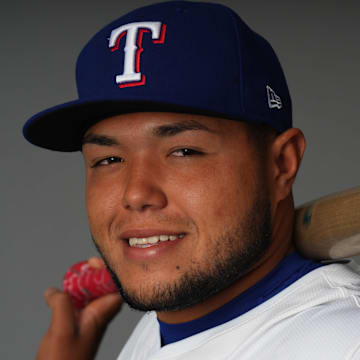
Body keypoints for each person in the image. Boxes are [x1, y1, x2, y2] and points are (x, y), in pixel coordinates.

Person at [23, 1, 360, 359]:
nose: (136, 193)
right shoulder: (168, 319)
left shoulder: (342, 343)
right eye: (109, 159)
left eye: (184, 151)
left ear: (281, 163)